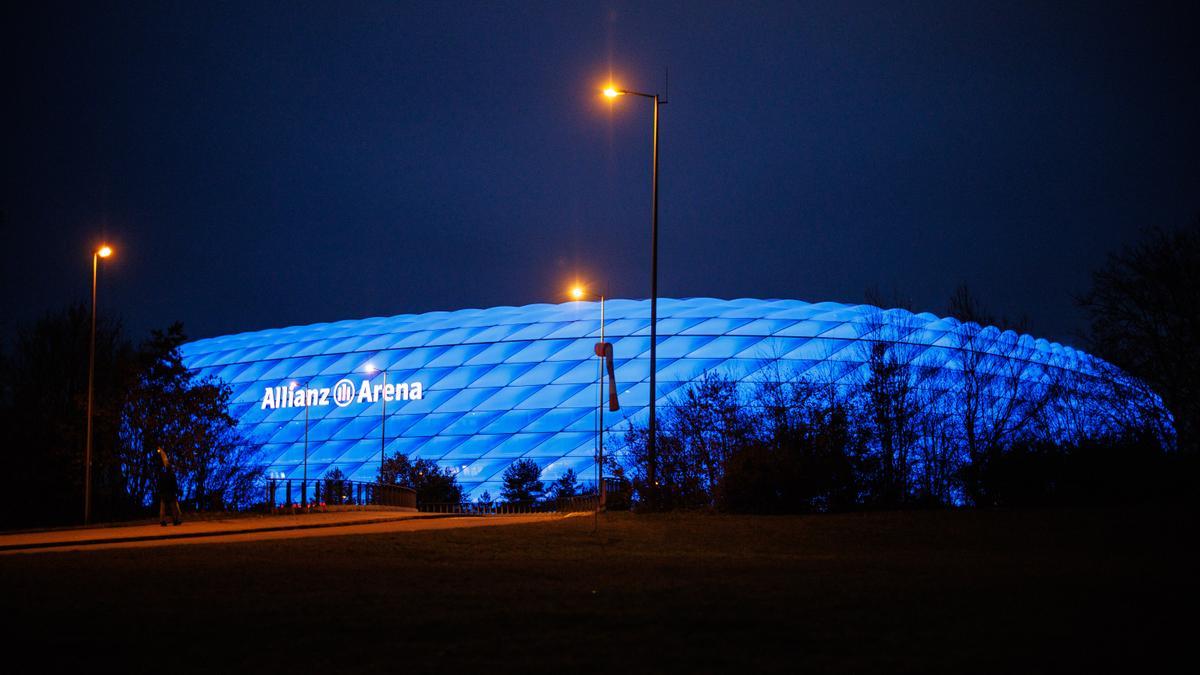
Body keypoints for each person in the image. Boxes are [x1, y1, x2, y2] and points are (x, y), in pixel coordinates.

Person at [156, 447, 182, 526]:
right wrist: (176, 491)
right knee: (173, 508)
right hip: (170, 494)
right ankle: (175, 520)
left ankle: (162, 521)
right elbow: (174, 484)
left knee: (163, 509)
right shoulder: (172, 475)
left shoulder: (162, 475)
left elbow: (160, 484)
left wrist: (160, 491)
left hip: (164, 494)